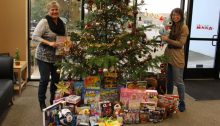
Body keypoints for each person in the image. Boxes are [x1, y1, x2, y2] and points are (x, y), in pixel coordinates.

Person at [32, 1, 66, 111]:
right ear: (49, 11)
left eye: (56, 9)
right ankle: (42, 102)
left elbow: (65, 37)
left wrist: (67, 46)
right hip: (43, 56)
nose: (55, 11)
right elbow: (35, 36)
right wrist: (49, 43)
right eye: (52, 9)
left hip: (57, 56)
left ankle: (53, 100)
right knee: (45, 79)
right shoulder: (44, 22)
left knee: (56, 80)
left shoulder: (62, 23)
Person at [161, 8, 189, 112]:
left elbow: (181, 43)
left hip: (177, 57)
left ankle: (182, 102)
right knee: (169, 80)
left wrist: (167, 39)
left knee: (178, 81)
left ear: (181, 16)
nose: (175, 17)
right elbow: (166, 39)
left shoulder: (184, 27)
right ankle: (169, 99)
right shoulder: (171, 26)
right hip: (168, 55)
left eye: (177, 15)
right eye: (173, 15)